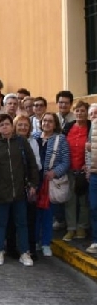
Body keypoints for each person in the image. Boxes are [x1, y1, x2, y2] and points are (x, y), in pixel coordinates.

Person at [0, 114, 39, 267]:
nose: (5, 127)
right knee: (1, 224)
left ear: (12, 126)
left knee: (22, 223)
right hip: (1, 193)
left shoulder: (21, 143)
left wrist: (33, 184)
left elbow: (32, 164)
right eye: (1, 125)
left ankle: (24, 252)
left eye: (7, 124)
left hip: (19, 191)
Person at [32, 112, 70, 257]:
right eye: (44, 121)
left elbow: (65, 162)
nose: (46, 123)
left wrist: (54, 172)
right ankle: (34, 241)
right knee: (34, 215)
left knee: (47, 215)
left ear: (55, 124)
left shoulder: (61, 140)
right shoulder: (34, 137)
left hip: (49, 182)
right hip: (35, 181)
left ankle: (46, 243)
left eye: (50, 121)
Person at [13, 114, 43, 258]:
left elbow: (37, 164)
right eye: (20, 125)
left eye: (26, 125)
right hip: (13, 185)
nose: (23, 127)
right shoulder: (10, 141)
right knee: (13, 219)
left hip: (28, 184)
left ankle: (30, 248)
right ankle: (12, 248)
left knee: (29, 218)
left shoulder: (33, 142)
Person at [61, 101, 90, 242]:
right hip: (69, 169)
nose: (80, 113)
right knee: (70, 200)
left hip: (85, 170)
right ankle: (71, 228)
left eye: (83, 110)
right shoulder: (68, 127)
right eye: (77, 110)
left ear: (87, 112)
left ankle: (81, 227)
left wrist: (88, 164)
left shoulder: (91, 127)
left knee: (84, 201)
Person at [86, 103, 97, 254]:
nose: (94, 115)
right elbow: (87, 150)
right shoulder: (92, 128)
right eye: (92, 113)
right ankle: (95, 240)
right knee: (94, 207)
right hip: (94, 174)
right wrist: (88, 169)